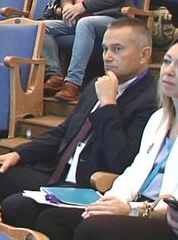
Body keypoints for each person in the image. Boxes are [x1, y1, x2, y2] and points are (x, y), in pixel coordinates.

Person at [0, 17, 158, 229]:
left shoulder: (151, 99)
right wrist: (19, 154)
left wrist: (108, 104)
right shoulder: (96, 84)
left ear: (144, 54)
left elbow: (122, 160)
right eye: (105, 49)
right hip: (56, 172)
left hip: (91, 185)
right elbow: (64, 132)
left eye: (117, 49)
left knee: (17, 207)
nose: (107, 56)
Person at [34, 40, 178, 240]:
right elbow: (134, 171)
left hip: (164, 219)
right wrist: (110, 202)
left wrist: (130, 209)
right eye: (167, 62)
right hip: (134, 205)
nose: (169, 71)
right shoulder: (159, 118)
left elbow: (172, 205)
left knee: (92, 229)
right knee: (53, 219)